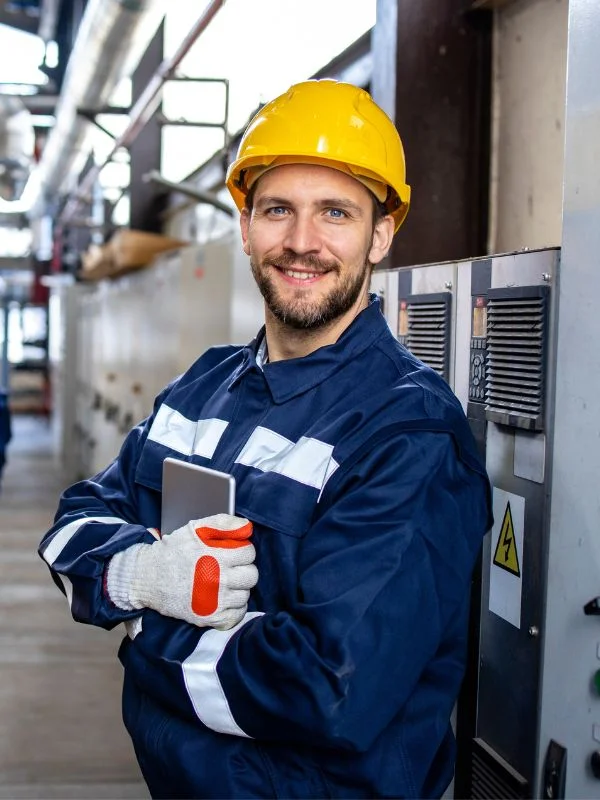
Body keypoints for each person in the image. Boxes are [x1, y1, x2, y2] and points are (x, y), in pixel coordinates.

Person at [39, 79, 492, 799]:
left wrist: (139, 631)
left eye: (335, 213)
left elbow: (325, 690)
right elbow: (70, 529)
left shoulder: (409, 432)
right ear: (245, 227)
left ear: (380, 234)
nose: (302, 242)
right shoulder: (206, 386)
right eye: (277, 209)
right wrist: (141, 577)